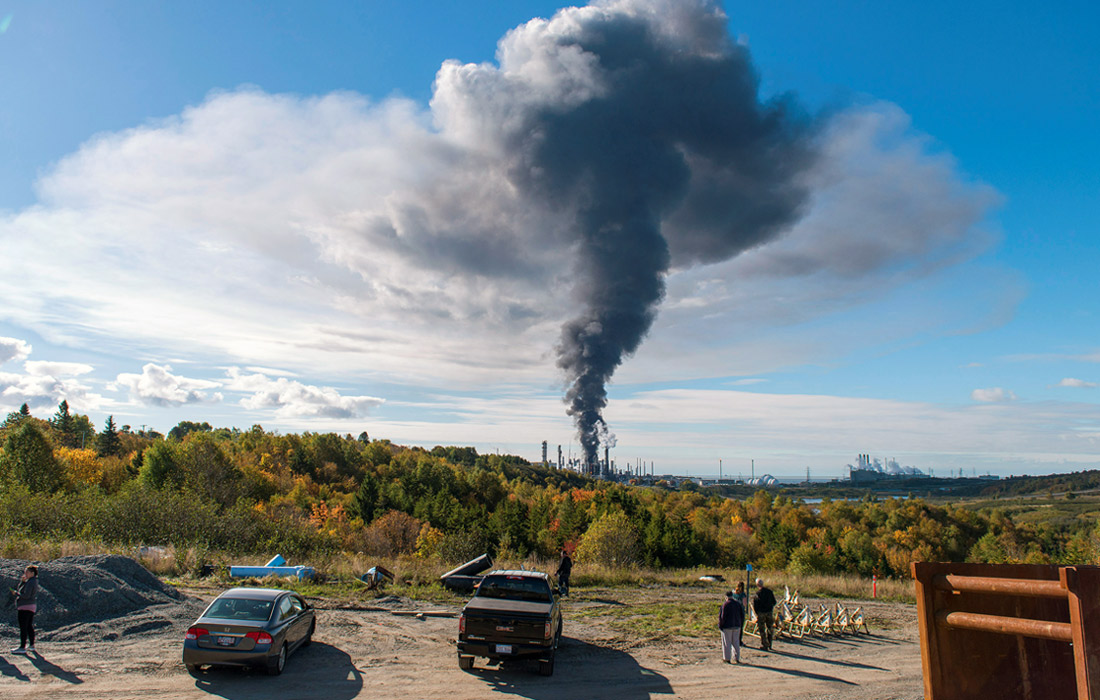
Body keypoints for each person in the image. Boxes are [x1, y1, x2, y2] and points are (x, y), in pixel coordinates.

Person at [10, 565, 39, 655]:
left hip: (25, 606)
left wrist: (16, 594)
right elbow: (24, 591)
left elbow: (26, 595)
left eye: (26, 572)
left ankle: (22, 647)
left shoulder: (31, 582)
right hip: (31, 606)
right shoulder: (32, 581)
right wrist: (22, 582)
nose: (25, 574)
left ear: (32, 573)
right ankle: (31, 645)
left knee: (23, 627)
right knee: (29, 626)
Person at [718, 590, 745, 663]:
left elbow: (722, 616)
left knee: (727, 643)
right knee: (736, 642)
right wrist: (741, 624)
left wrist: (720, 625)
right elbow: (742, 615)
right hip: (737, 625)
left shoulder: (725, 604)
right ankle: (736, 658)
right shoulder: (738, 604)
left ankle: (727, 658)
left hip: (727, 626)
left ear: (726, 597)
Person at [752, 577, 777, 651]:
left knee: (762, 629)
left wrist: (757, 613)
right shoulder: (769, 592)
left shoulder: (758, 594)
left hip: (761, 613)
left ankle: (765, 644)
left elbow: (755, 605)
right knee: (770, 628)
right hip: (769, 612)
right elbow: (774, 602)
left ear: (757, 585)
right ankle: (770, 643)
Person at [733, 581, 748, 645]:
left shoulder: (733, 593)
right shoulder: (743, 595)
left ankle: (733, 640)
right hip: (740, 611)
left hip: (734, 611)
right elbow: (744, 604)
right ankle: (739, 641)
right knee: (740, 626)